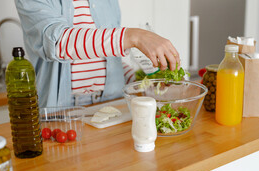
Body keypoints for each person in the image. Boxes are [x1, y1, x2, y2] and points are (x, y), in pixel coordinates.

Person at [15, 0, 180, 107]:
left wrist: (141, 80)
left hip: (113, 103)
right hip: (62, 111)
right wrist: (133, 36)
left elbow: (107, 58)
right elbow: (58, 43)